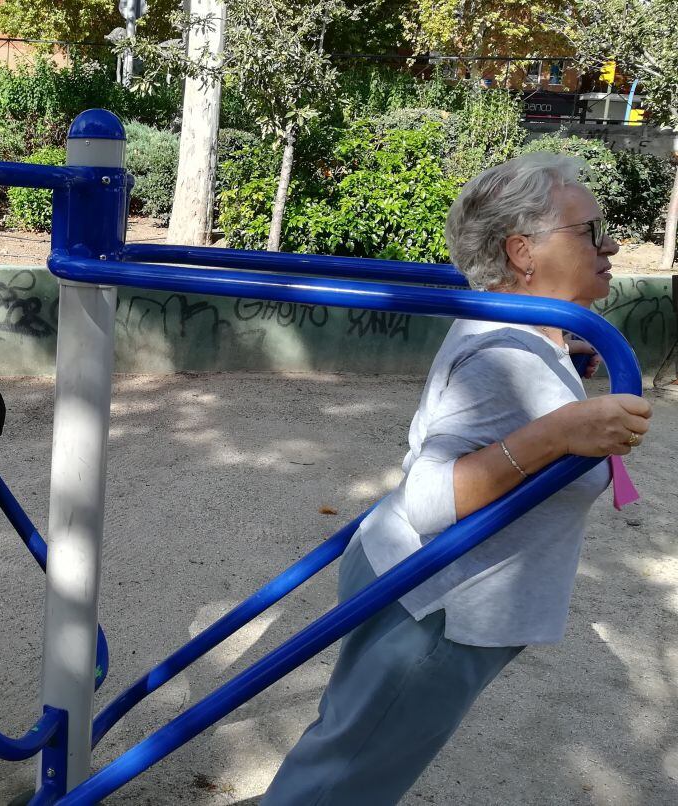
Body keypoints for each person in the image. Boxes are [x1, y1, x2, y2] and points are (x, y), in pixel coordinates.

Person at [262, 153, 652, 805]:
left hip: (430, 599)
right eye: (590, 230)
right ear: (522, 252)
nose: (611, 243)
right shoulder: (502, 351)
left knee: (350, 765)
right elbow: (431, 499)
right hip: (431, 608)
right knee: (336, 786)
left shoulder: (529, 333)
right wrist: (559, 429)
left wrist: (561, 363)